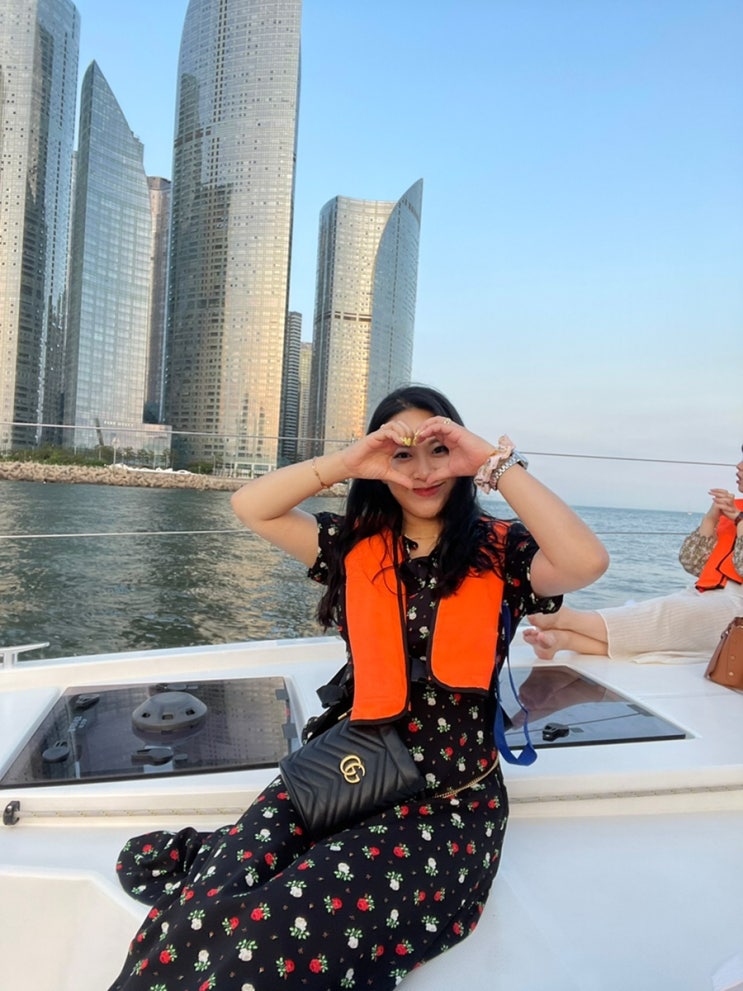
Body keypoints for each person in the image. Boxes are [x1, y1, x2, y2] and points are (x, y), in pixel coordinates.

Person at [107, 384, 607, 991]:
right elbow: (251, 505)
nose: (422, 472)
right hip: (349, 768)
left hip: (446, 803)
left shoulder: (503, 554)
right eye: (402, 455)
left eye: (438, 450)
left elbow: (585, 561)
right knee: (203, 905)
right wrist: (347, 462)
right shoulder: (349, 546)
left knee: (273, 931)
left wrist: (494, 464)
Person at [524, 447, 743, 661]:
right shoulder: (734, 509)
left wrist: (740, 521)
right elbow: (692, 563)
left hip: (737, 607)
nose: (739, 466)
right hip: (704, 593)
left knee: (668, 615)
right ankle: (563, 641)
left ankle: (566, 619)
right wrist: (710, 520)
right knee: (658, 616)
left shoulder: (738, 515)